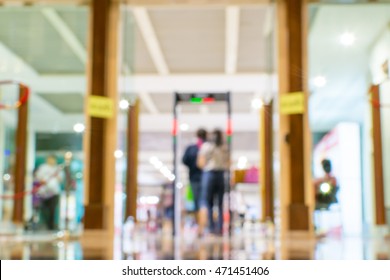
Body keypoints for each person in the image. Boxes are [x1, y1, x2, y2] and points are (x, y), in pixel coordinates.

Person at [197, 129, 229, 236]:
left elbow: (200, 163)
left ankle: (211, 228)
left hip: (209, 174)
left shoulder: (206, 146)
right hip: (221, 174)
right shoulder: (224, 147)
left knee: (209, 202)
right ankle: (220, 228)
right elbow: (228, 162)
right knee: (219, 203)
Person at [182, 128, 207, 221]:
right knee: (205, 202)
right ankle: (204, 224)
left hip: (195, 177)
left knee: (198, 202)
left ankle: (200, 224)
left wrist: (193, 165)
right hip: (205, 177)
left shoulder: (191, 148)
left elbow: (184, 160)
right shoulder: (208, 146)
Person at [35, 155, 63, 230]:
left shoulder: (58, 168)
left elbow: (60, 179)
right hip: (43, 192)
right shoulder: (43, 167)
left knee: (52, 209)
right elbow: (38, 178)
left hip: (54, 192)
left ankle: (51, 226)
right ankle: (44, 224)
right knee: (43, 209)